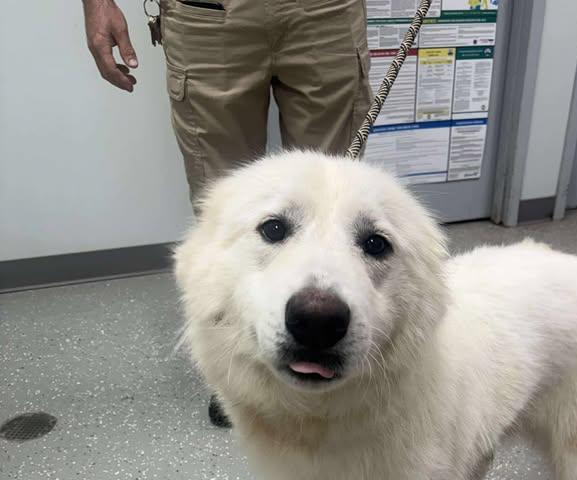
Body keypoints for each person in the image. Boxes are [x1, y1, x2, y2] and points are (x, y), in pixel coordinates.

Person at [82, 0, 372, 427]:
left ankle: (331, 354)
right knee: (223, 214)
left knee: (336, 204)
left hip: (327, 11)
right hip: (207, 14)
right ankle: (236, 374)